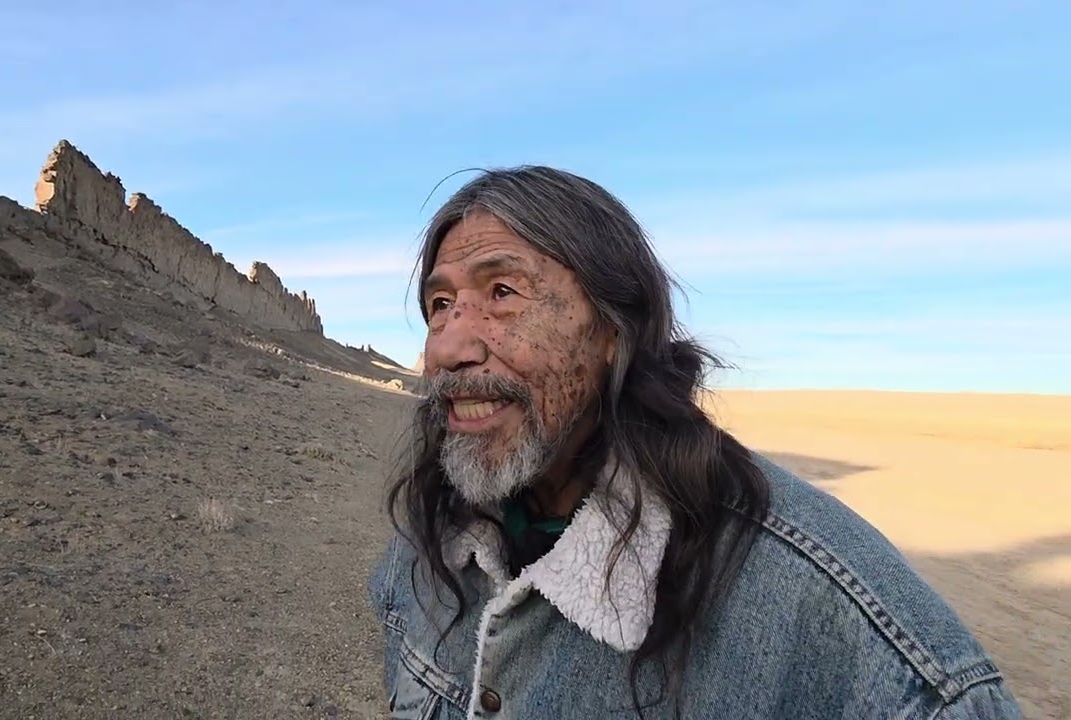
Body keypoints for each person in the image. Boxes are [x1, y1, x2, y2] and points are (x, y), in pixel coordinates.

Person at [367, 166, 1024, 719]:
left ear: (614, 332)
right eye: (440, 305)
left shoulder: (834, 622)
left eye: (502, 292)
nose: (447, 346)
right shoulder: (426, 547)